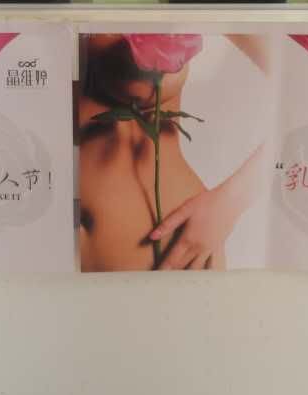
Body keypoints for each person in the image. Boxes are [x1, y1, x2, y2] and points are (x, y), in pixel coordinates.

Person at [78, 33, 274, 272]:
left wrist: (229, 202)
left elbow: (301, 87)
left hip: (166, 248)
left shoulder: (191, 9)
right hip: (46, 242)